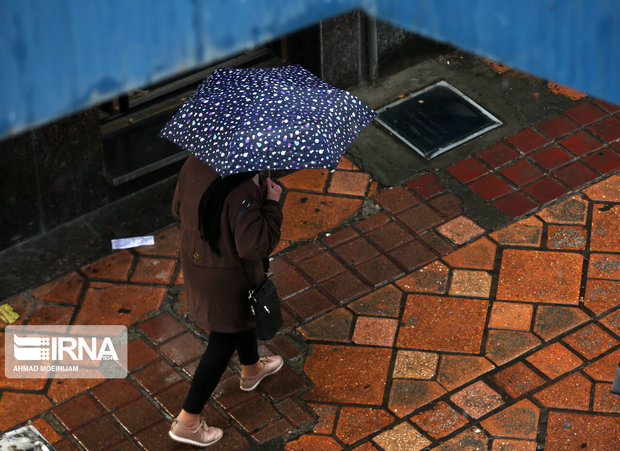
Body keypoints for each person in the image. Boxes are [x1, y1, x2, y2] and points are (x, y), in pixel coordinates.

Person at [168, 155, 284, 447]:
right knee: (222, 342)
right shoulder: (242, 187)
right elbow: (253, 245)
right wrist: (270, 203)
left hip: (199, 264)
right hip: (228, 276)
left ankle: (251, 368)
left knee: (240, 317)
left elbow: (177, 209)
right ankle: (188, 421)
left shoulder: (195, 162)